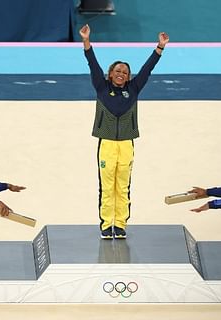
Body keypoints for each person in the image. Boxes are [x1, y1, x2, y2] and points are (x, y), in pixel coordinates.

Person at [79, 24, 169, 240]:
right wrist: (86, 41)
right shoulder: (101, 87)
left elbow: (147, 69)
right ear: (110, 74)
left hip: (127, 144)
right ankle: (105, 224)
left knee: (123, 186)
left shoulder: (134, 88)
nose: (121, 74)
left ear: (129, 77)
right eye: (117, 71)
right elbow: (92, 64)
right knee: (107, 186)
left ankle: (119, 225)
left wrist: (160, 47)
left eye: (125, 72)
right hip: (107, 144)